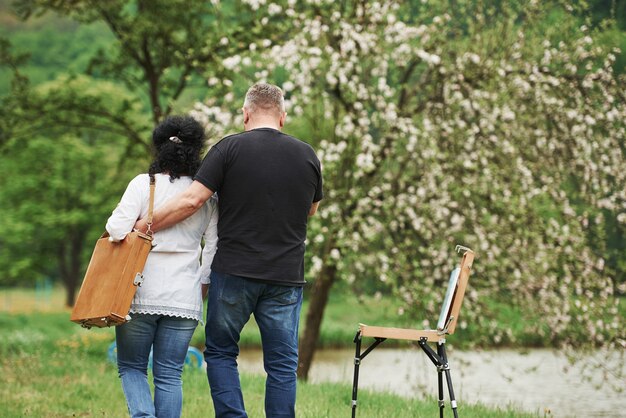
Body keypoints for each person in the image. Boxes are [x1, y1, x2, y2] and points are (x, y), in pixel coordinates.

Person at [134, 83, 323, 418]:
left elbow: (192, 201)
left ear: (245, 113)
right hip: (285, 276)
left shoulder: (227, 149)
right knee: (282, 363)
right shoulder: (307, 155)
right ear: (283, 116)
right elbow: (311, 209)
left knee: (221, 353)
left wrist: (145, 225)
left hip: (235, 272)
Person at [106, 115, 218, 418]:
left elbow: (116, 229)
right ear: (197, 151)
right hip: (185, 296)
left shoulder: (143, 185)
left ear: (159, 149)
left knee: (132, 367)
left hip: (138, 293)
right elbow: (214, 248)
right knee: (170, 374)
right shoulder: (206, 196)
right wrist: (203, 287)